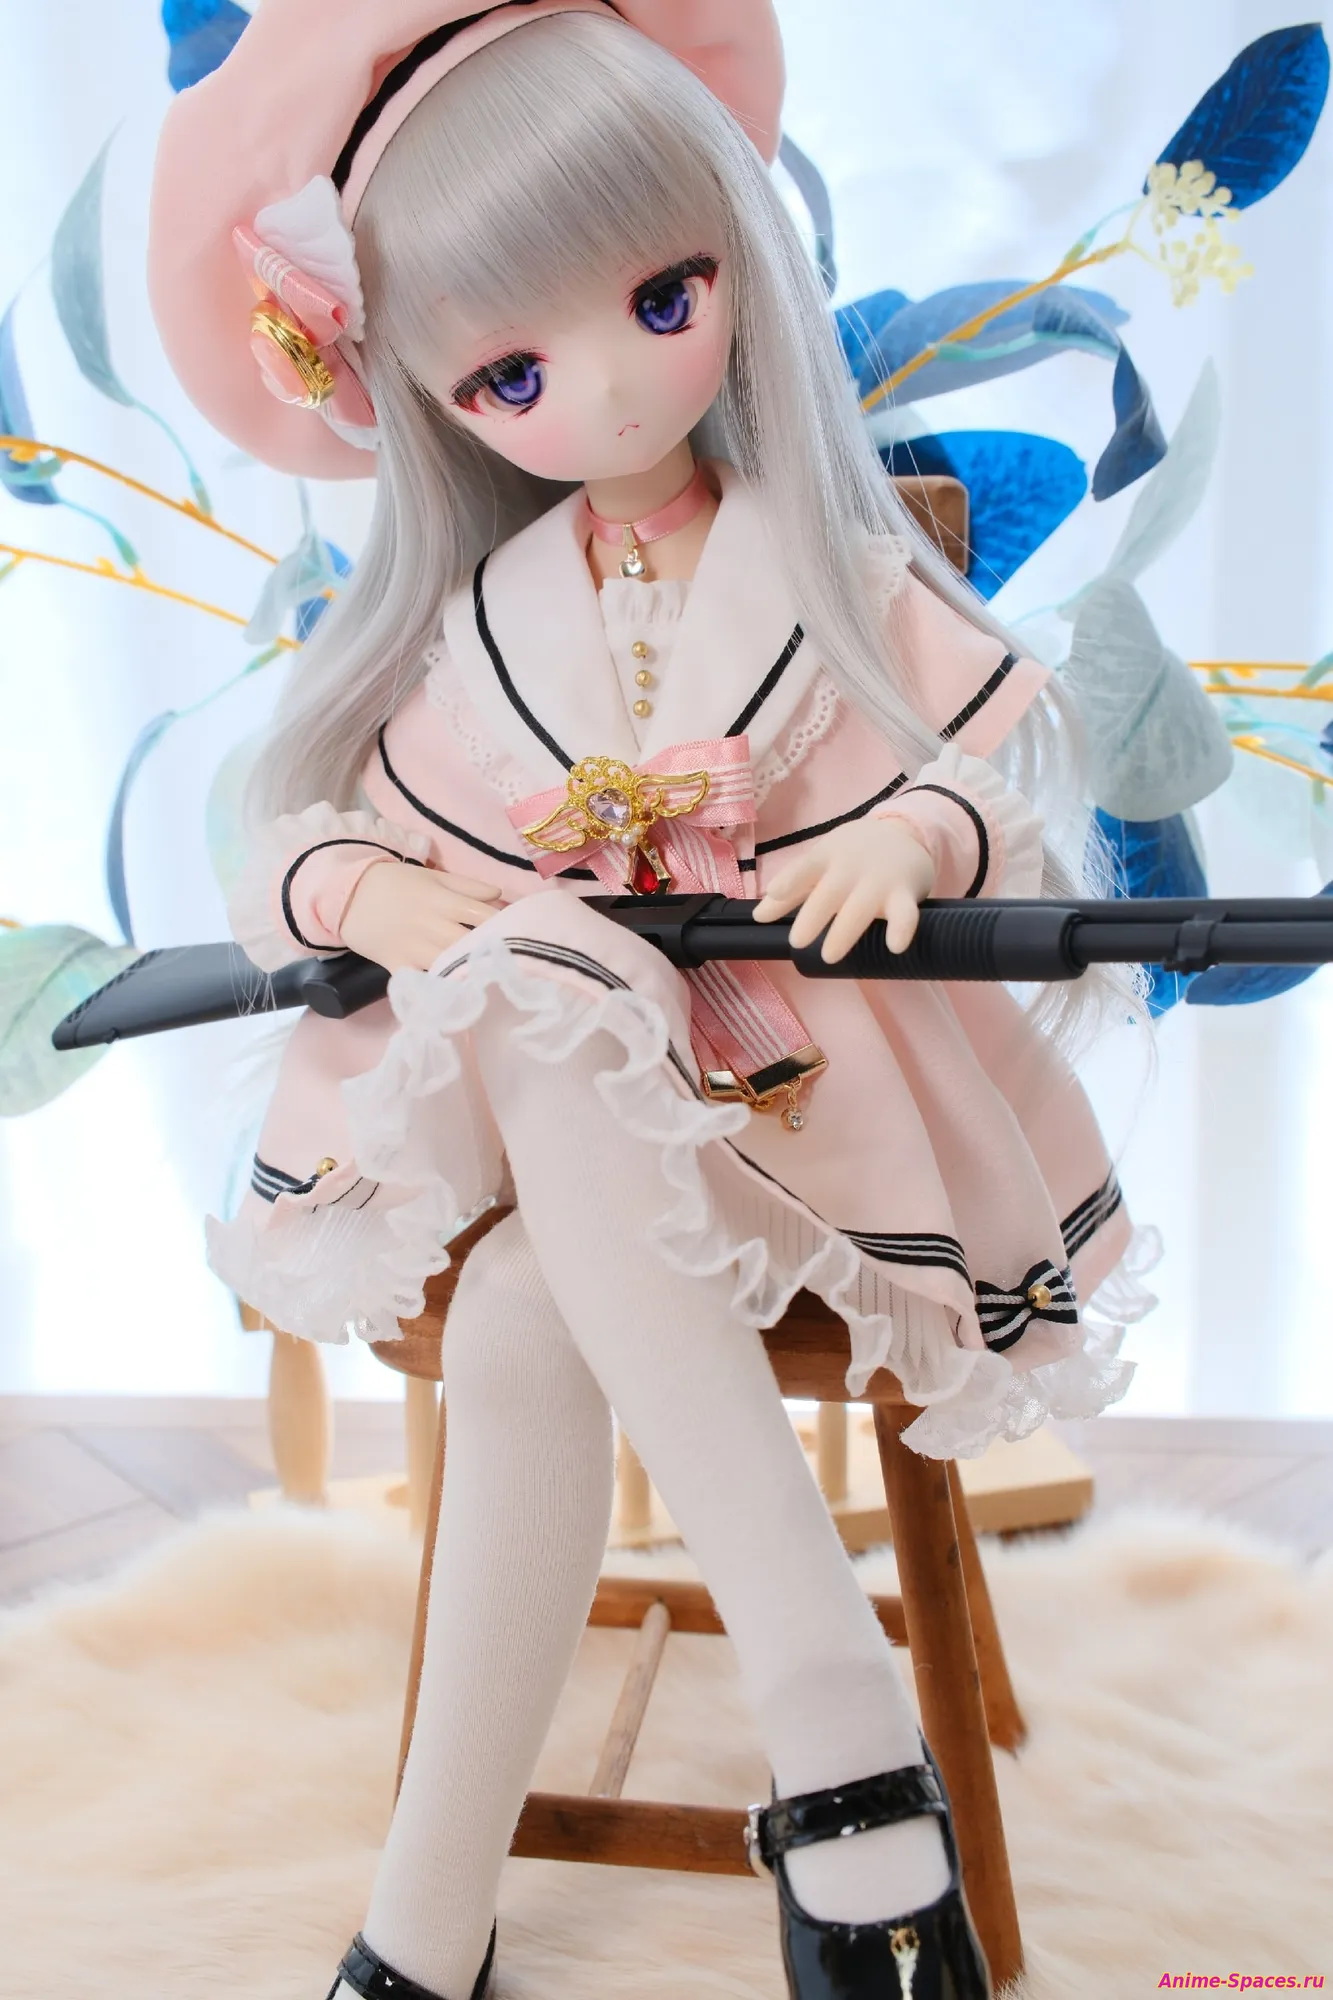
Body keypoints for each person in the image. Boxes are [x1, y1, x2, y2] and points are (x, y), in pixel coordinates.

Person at [148, 5, 1151, 1993]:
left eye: (661, 298)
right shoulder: (477, 625)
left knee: (527, 1298)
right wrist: (367, 887)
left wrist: (916, 837)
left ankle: (427, 1931)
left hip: (802, 1134)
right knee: (537, 996)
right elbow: (284, 850)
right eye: (511, 373)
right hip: (571, 1127)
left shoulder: (825, 566)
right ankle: (842, 1753)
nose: (603, 391)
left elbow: (981, 779)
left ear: (735, 263)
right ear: (432, 398)